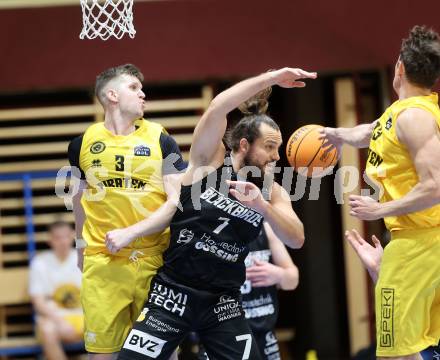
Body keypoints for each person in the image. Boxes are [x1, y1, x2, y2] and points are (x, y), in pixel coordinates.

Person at [105, 67, 314, 359]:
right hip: (174, 292)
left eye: (278, 149)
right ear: (244, 145)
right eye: (269, 147)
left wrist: (262, 207)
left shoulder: (272, 191)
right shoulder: (210, 159)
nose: (276, 157)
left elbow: (297, 238)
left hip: (222, 302)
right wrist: (270, 79)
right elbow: (217, 107)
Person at [321, 26, 440, 359]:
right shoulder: (402, 113)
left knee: (395, 352)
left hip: (419, 243)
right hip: (422, 244)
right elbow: (369, 132)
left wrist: (380, 211)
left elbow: (436, 186)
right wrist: (335, 134)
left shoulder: (415, 117)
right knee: (421, 347)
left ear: (399, 67)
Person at [68, 64, 185, 359]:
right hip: (103, 264)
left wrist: (130, 233)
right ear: (112, 95)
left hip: (153, 262)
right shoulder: (82, 144)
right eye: (134, 87)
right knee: (102, 354)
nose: (143, 93)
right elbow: (79, 200)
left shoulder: (161, 139)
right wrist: (81, 247)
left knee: (164, 354)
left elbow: (176, 202)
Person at [196, 223, 299, 360]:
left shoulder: (267, 228)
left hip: (262, 334)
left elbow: (293, 280)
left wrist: (279, 275)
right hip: (223, 334)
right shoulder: (210, 227)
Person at [29, 221, 83, 360]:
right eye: (58, 237)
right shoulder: (40, 263)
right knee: (47, 329)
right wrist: (60, 321)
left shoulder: (83, 258)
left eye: (66, 236)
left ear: (72, 236)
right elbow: (38, 302)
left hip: (83, 317)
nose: (63, 241)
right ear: (50, 240)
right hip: (56, 319)